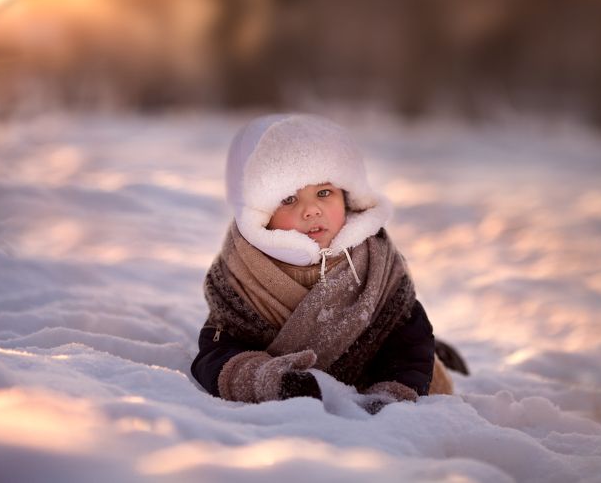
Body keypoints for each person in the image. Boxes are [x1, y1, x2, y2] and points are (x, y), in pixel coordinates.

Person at [191, 114, 467, 412]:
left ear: (348, 201)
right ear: (263, 214)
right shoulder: (245, 277)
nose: (311, 210)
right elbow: (216, 353)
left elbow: (407, 342)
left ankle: (440, 352)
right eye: (288, 199)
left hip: (374, 374)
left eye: (324, 193)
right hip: (298, 395)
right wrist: (268, 381)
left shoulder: (377, 268)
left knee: (420, 348)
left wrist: (392, 394)